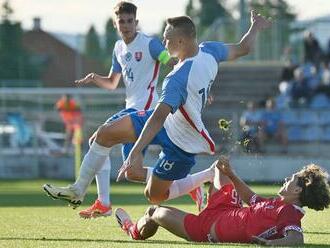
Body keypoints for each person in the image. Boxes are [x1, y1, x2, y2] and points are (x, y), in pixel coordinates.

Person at [43, 10, 271, 209]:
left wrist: (135, 152)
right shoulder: (209, 50)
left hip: (183, 140)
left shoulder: (177, 79)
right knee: (104, 134)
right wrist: (255, 27)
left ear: (180, 42)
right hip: (167, 121)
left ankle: (207, 175)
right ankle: (78, 190)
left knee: (153, 196)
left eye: (167, 38)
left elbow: (158, 118)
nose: (163, 42)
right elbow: (243, 48)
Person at [68, 2, 201, 219]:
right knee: (133, 172)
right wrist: (95, 78)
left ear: (136, 22)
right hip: (131, 109)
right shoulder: (118, 48)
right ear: (115, 23)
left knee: (99, 139)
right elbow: (112, 83)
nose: (126, 25)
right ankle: (186, 184)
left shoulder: (150, 44)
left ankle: (103, 202)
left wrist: (193, 83)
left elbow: (172, 61)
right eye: (122, 21)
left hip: (147, 111)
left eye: (130, 21)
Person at [115, 156, 330, 246]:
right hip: (225, 207)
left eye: (291, 179)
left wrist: (269, 243)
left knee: (154, 212)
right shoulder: (279, 203)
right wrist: (232, 174)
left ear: (298, 189)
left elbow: (296, 239)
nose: (286, 179)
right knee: (220, 164)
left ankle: (132, 229)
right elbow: (250, 198)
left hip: (205, 229)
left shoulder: (290, 212)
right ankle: (198, 192)